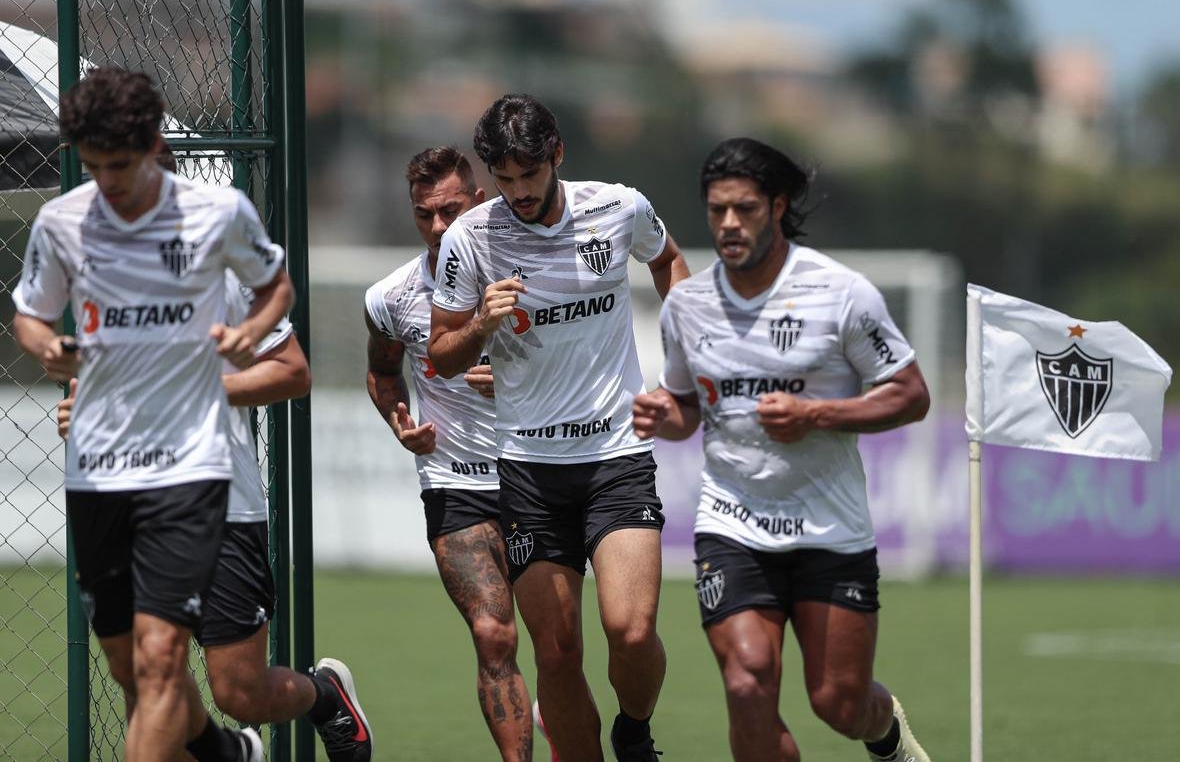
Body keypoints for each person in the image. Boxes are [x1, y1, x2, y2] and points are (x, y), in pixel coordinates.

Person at [10, 66, 365, 762]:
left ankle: (321, 696)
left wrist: (195, 385)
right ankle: (229, 755)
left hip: (211, 483)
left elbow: (292, 370)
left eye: (127, 168)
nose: (110, 186)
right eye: (95, 169)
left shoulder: (217, 240)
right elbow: (48, 328)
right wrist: (67, 365)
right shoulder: (68, 227)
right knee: (137, 670)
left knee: (218, 681)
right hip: (108, 477)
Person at [632, 137, 933, 762]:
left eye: (743, 209)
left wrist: (819, 413)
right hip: (732, 521)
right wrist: (668, 413)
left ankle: (889, 737)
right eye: (717, 211)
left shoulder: (842, 293)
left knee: (838, 704)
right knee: (747, 680)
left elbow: (910, 394)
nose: (728, 225)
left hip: (831, 528)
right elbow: (688, 408)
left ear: (777, 205)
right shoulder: (686, 307)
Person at [428, 94, 690, 762]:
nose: (518, 191)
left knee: (631, 632)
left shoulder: (618, 206)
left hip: (616, 454)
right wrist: (481, 323)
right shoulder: (471, 239)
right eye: (505, 179)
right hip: (528, 470)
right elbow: (441, 354)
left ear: (558, 156)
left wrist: (687, 359)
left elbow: (666, 260)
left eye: (531, 176)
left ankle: (634, 729)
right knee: (557, 649)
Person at [364, 146, 535, 761]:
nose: (438, 227)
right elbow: (383, 374)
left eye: (450, 211)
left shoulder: (530, 270)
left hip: (537, 471)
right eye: (423, 215)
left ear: (480, 202)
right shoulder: (393, 296)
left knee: (562, 643)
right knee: (493, 634)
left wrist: (519, 380)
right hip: (454, 480)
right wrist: (398, 420)